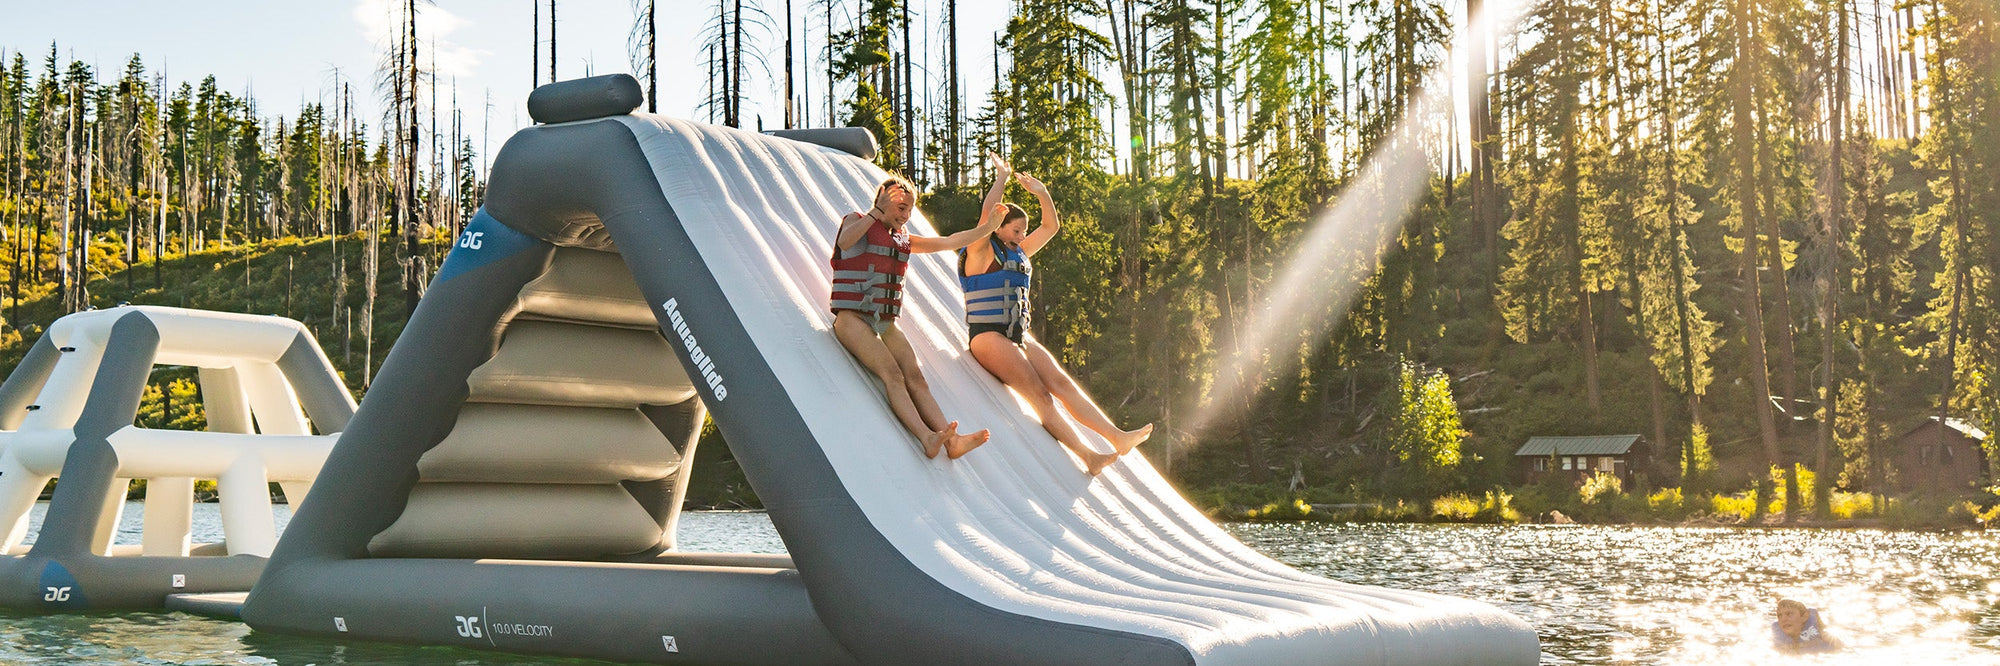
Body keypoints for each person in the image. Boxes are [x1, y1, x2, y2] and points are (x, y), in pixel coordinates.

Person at [959, 154, 1152, 476]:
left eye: (1024, 232)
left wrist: (1042, 192)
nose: (1023, 237)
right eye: (1017, 230)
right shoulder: (980, 250)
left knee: (1062, 383)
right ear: (1001, 226)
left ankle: (1117, 437)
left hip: (1017, 334)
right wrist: (1002, 178)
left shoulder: (1017, 254)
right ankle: (1088, 455)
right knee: (1041, 395)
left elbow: (1052, 226)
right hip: (988, 335)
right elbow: (985, 218)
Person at [832, 175, 998, 460]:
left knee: (916, 377)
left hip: (884, 322)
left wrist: (989, 228)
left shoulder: (903, 240)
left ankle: (953, 441)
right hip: (851, 318)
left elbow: (949, 241)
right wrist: (877, 212)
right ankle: (927, 437)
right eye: (901, 208)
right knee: (892, 374)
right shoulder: (856, 220)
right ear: (883, 199)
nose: (906, 215)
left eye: (910, 210)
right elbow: (846, 242)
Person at [1771, 598, 1840, 654]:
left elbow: (1842, 648)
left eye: (1789, 614)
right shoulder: (1777, 640)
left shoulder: (1822, 635)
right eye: (1779, 616)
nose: (1783, 619)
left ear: (1804, 617)